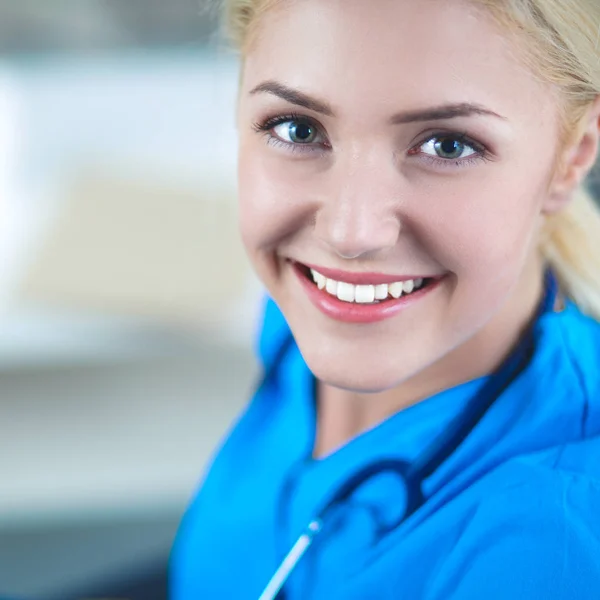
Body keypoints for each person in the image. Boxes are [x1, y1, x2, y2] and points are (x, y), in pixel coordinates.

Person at [170, 0, 600, 598]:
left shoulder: (555, 552)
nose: (349, 234)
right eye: (298, 129)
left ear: (571, 157)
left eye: (448, 145)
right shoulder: (309, 311)